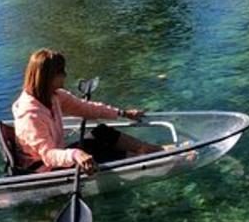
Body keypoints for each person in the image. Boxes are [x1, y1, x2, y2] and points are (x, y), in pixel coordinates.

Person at [11, 49, 161, 175]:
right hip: (45, 168)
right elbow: (49, 156)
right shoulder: (30, 116)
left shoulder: (54, 96)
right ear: (48, 78)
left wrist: (122, 113)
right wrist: (76, 154)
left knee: (102, 132)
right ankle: (147, 160)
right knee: (100, 153)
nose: (65, 75)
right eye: (61, 72)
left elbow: (86, 108)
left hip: (60, 154)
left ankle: (151, 150)